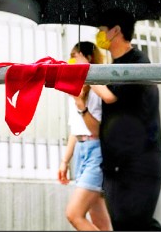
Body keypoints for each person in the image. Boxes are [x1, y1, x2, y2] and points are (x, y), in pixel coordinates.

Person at [85, 8, 161, 231]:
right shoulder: (113, 68)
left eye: (102, 30)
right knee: (125, 224)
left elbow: (112, 97)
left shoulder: (137, 62)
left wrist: (87, 75)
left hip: (139, 162)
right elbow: (102, 121)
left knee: (136, 223)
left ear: (116, 31)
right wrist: (81, 104)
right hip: (115, 165)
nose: (99, 36)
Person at [58, 41, 112, 231]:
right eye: (71, 55)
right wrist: (65, 161)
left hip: (96, 152)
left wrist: (81, 104)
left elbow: (96, 130)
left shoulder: (97, 88)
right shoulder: (76, 89)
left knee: (74, 214)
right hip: (81, 152)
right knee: (101, 223)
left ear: (88, 58)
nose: (71, 59)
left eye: (76, 55)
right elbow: (76, 129)